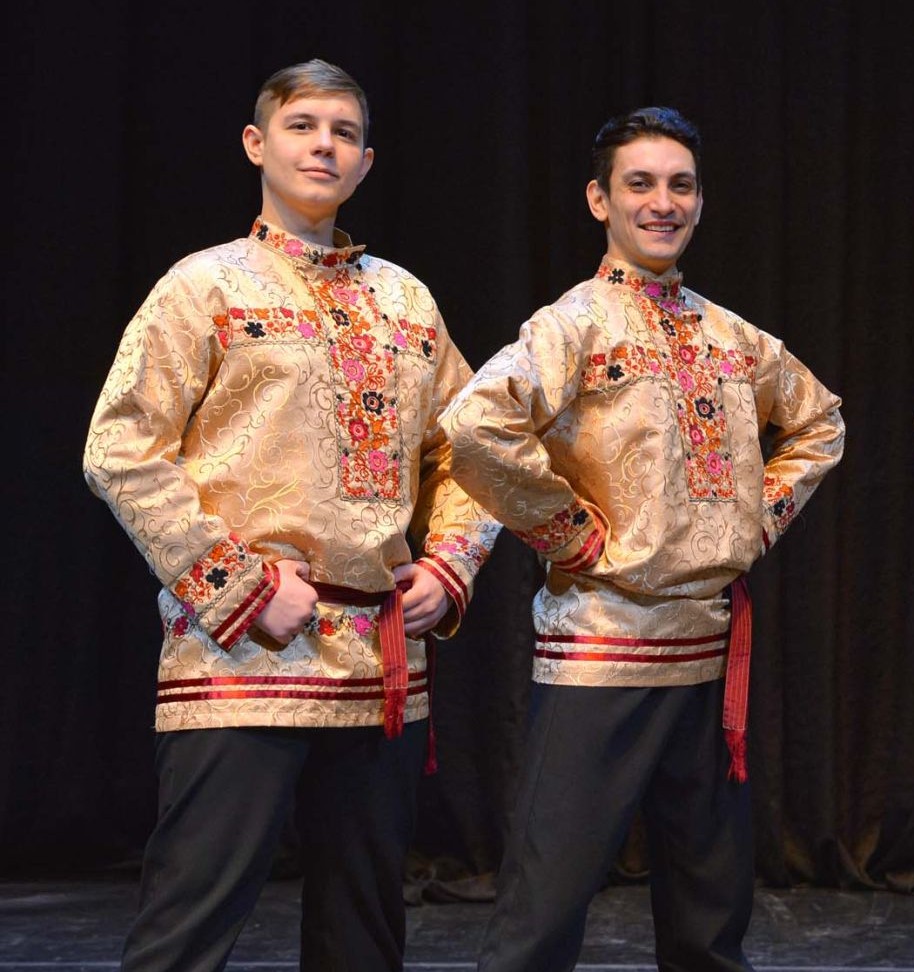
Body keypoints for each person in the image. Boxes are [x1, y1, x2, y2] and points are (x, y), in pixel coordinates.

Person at [83, 59, 499, 971]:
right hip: (239, 650)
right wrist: (236, 586)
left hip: (377, 660)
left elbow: (471, 449)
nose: (324, 146)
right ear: (256, 143)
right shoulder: (204, 287)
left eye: (344, 133)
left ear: (366, 161)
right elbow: (120, 448)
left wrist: (450, 564)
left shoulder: (407, 301)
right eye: (303, 125)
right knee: (190, 923)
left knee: (364, 932)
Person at [442, 106, 846, 971]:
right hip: (602, 644)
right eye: (640, 184)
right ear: (600, 200)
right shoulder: (574, 324)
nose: (663, 203)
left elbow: (820, 424)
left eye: (681, 186)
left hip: (707, 644)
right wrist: (567, 532)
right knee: (546, 903)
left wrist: (754, 520)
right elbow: (476, 426)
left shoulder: (732, 336)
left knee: (710, 907)